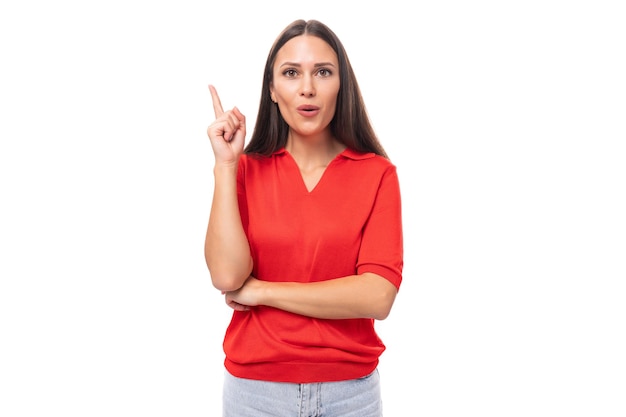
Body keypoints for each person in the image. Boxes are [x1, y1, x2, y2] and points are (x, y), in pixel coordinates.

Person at [204, 18, 403, 417]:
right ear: (273, 91)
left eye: (323, 72)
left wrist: (263, 292)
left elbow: (378, 296)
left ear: (341, 86)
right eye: (291, 73)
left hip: (351, 394)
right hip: (255, 393)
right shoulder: (245, 171)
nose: (307, 88)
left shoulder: (377, 174)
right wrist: (226, 167)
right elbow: (227, 278)